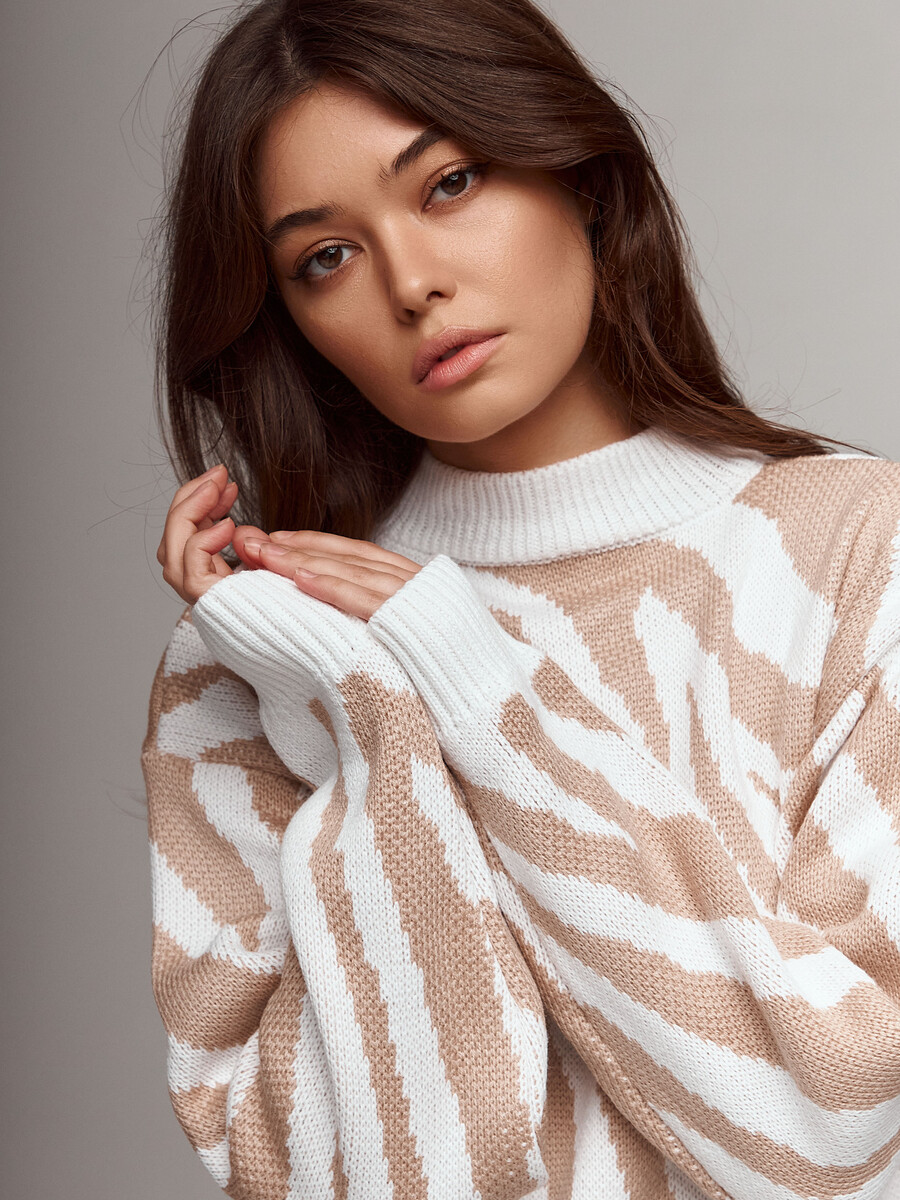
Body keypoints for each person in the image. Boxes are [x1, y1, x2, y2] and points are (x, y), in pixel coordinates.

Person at [140, 0, 900, 1197]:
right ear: (289, 320)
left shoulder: (857, 552)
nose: (411, 284)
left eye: (449, 184)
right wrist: (353, 703)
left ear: (579, 177)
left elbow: (836, 1134)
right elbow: (317, 1176)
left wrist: (478, 686)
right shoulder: (266, 661)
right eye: (325, 257)